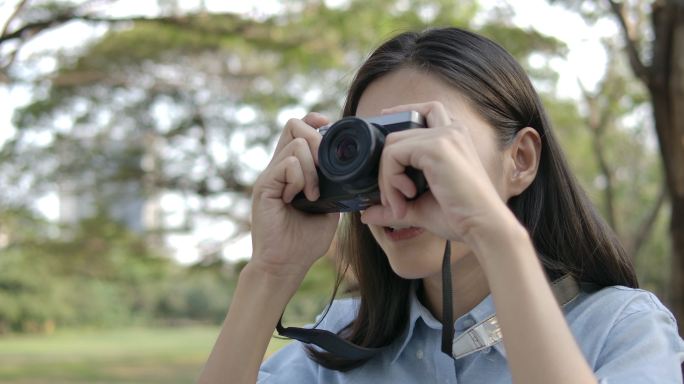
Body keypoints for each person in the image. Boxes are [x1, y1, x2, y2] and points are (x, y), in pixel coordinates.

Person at [198, 27, 684, 384]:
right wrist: (269, 273)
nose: (394, 188)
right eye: (373, 155)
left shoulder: (621, 328)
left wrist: (492, 233)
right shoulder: (339, 344)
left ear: (521, 159)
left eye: (425, 151)